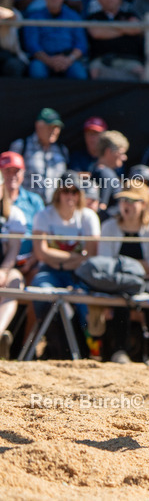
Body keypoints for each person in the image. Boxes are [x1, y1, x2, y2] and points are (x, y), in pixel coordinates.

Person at [30, 172, 100, 359]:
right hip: (50, 271)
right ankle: (58, 351)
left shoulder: (88, 216)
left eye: (74, 192)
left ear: (80, 195)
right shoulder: (44, 215)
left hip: (80, 273)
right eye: (66, 191)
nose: (70, 196)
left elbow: (91, 255)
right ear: (58, 193)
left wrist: (58, 258)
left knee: (86, 307)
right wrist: (75, 257)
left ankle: (90, 353)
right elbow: (41, 253)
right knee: (41, 294)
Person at [97, 184, 149, 367]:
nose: (126, 205)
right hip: (118, 281)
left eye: (132, 201)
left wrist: (122, 264)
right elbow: (105, 262)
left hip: (145, 281)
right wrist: (139, 266)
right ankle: (119, 350)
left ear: (143, 204)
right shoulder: (109, 226)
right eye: (123, 200)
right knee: (122, 296)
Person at [22, 0, 88, 80]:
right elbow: (32, 45)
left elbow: (81, 44)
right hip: (43, 59)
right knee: (37, 71)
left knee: (79, 74)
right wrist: (49, 61)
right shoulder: (35, 17)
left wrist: (68, 60)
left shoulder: (73, 16)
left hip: (68, 58)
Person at [86, 0, 145, 80]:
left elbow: (137, 29)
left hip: (129, 60)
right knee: (94, 71)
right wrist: (125, 28)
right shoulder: (93, 17)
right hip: (101, 60)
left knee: (143, 73)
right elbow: (96, 33)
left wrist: (106, 28)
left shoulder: (129, 14)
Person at [10, 108, 69, 203]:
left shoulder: (62, 150)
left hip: (53, 207)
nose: (54, 131)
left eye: (57, 127)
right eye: (50, 126)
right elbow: (9, 174)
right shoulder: (21, 146)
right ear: (38, 125)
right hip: (27, 204)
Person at [0, 151, 44, 269]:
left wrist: (31, 261)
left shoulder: (34, 201)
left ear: (23, 173)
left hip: (28, 263)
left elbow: (44, 236)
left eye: (16, 171)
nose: (12, 175)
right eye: (7, 171)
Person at [0, 170, 27, 358]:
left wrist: (3, 271)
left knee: (15, 282)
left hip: (6, 266)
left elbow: (13, 250)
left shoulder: (14, 214)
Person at [90, 130, 129, 217]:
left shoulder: (99, 171)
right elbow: (101, 207)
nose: (124, 157)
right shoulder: (105, 174)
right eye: (121, 153)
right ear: (109, 151)